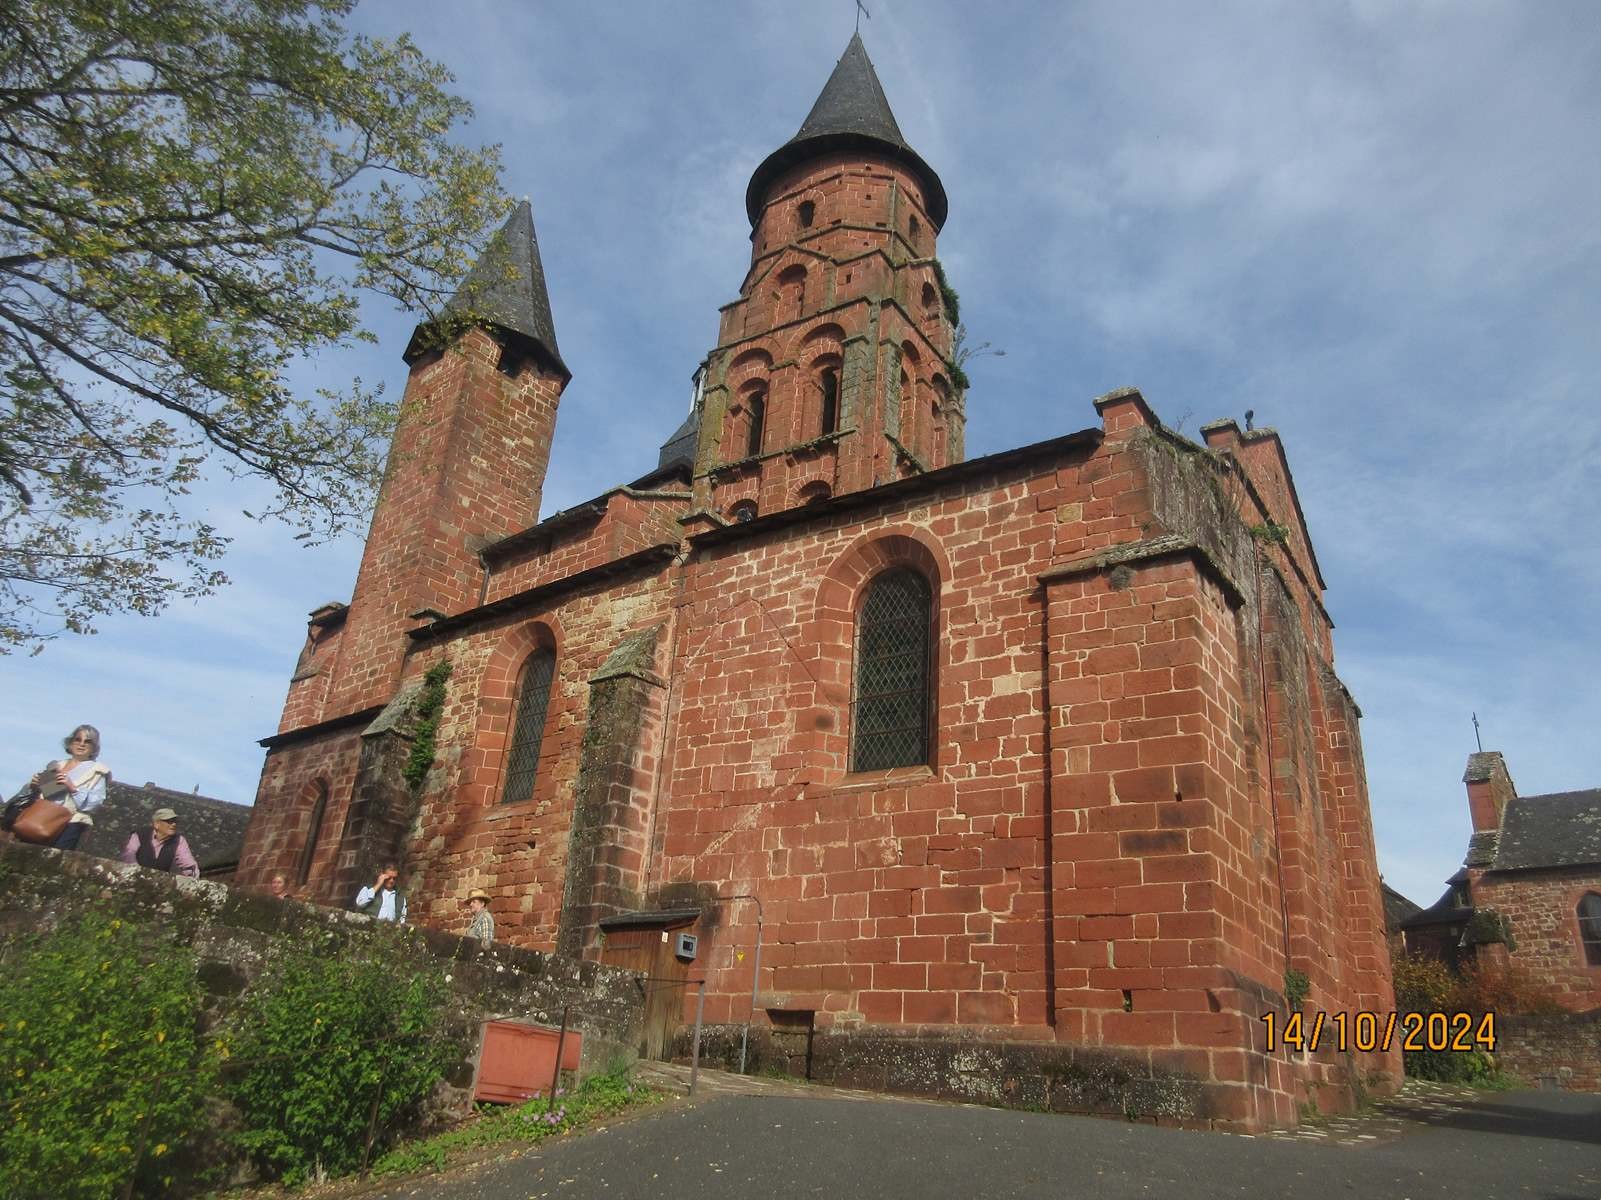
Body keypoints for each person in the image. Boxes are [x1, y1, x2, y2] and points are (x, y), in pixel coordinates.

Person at [27, 724, 111, 852]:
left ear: (94, 748)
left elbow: (94, 804)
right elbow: (45, 794)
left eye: (88, 741)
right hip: (42, 817)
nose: (81, 744)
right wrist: (35, 786)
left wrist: (72, 787)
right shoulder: (57, 765)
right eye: (78, 739)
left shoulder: (98, 771)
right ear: (70, 743)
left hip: (70, 822)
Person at [119, 806, 199, 878]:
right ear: (156, 824)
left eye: (175, 821)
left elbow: (189, 864)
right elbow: (128, 854)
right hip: (133, 877)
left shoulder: (179, 840)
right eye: (169, 821)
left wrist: (193, 880)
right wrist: (137, 873)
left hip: (159, 883)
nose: (174, 824)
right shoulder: (140, 835)